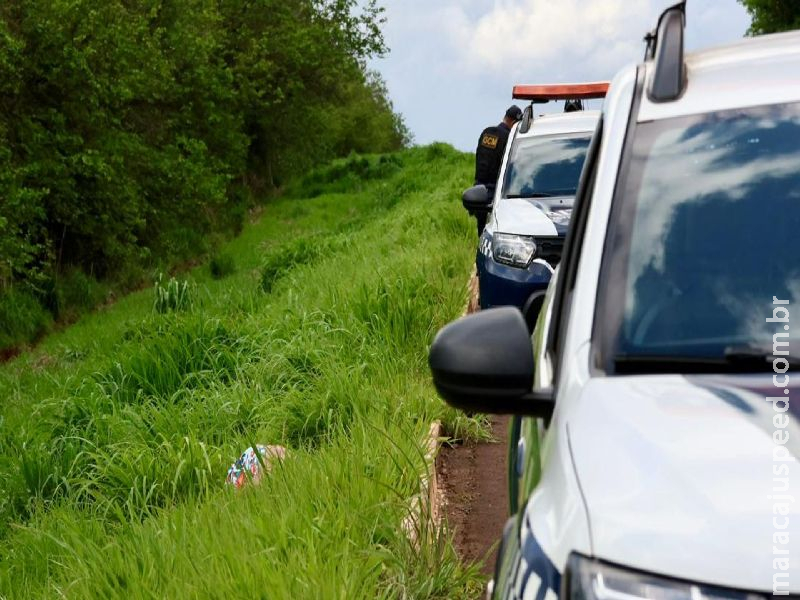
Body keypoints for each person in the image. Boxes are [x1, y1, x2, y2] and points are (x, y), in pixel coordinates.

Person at [472, 105, 523, 235]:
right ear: (513, 122)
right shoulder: (508, 138)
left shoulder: (487, 132)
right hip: (497, 189)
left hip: (479, 189)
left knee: (482, 230)